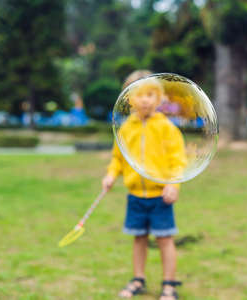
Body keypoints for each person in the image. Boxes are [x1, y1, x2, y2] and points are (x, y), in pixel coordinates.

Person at [102, 71, 186, 300]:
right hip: (135, 196)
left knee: (165, 240)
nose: (145, 99)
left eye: (151, 94)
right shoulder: (126, 128)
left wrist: (173, 185)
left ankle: (169, 284)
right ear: (129, 99)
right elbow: (118, 159)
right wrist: (111, 175)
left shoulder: (167, 128)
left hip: (161, 196)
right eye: (140, 95)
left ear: (159, 99)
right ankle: (138, 278)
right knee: (139, 238)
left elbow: (177, 161)